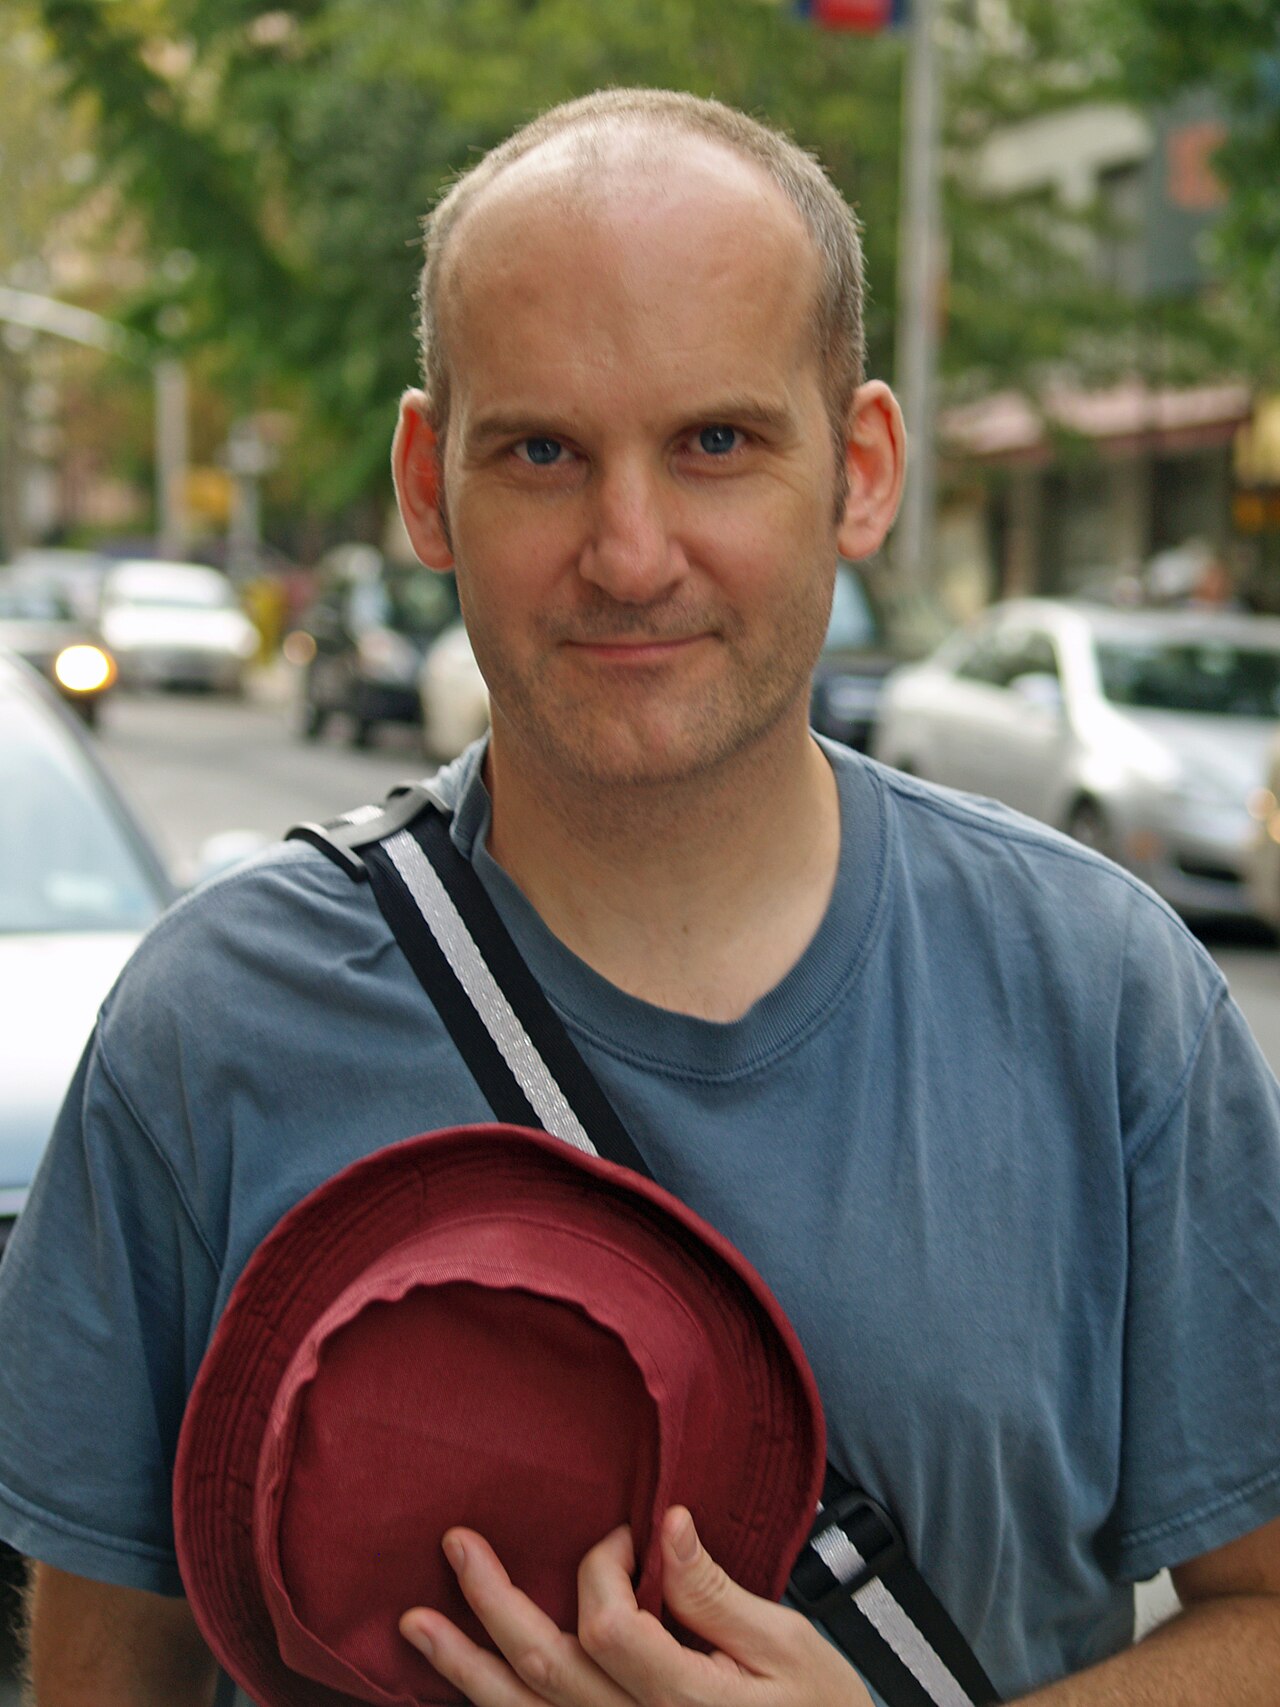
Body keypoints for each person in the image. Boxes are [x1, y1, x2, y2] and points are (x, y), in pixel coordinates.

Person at [0, 87, 1277, 1707]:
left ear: (861, 470)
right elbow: (107, 1679)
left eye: (717, 444)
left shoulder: (1107, 998)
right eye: (540, 451)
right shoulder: (213, 1027)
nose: (628, 549)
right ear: (424, 483)